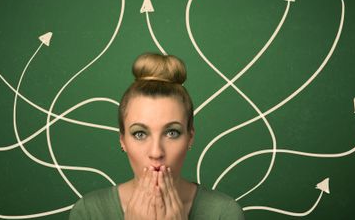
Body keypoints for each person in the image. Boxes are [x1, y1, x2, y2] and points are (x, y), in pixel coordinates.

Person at [69, 53, 245, 219]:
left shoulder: (224, 213)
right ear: (123, 141)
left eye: (171, 133)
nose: (156, 152)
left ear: (190, 138)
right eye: (140, 134)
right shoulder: (89, 211)